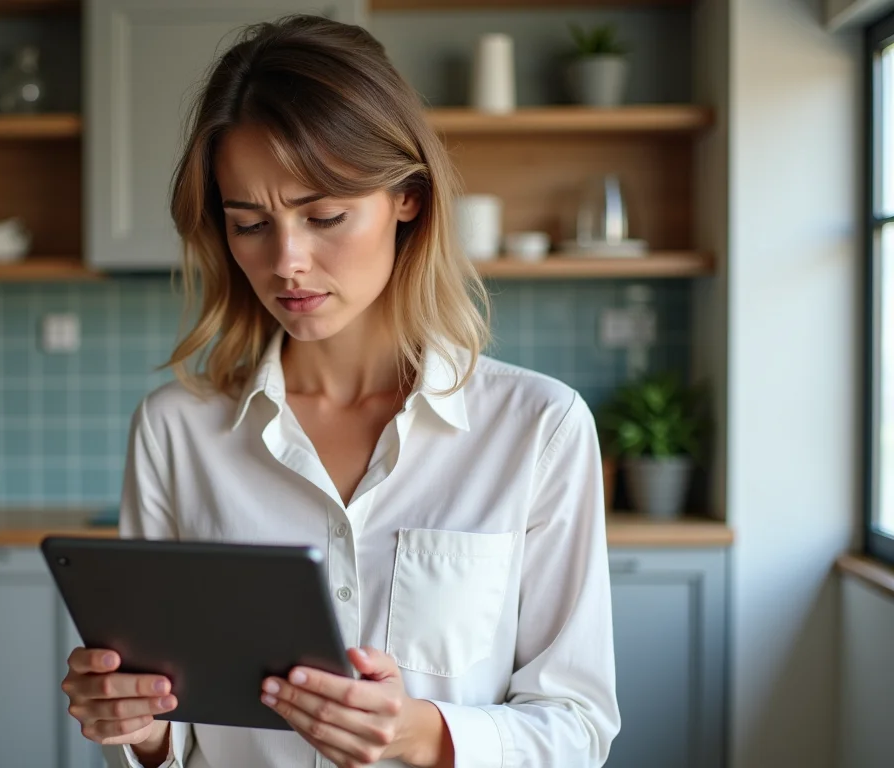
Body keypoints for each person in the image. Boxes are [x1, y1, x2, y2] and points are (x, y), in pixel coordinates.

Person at [61, 14, 620, 768]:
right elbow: (174, 729)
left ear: (408, 198)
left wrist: (422, 734)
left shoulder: (539, 428)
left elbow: (580, 727)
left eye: (324, 215)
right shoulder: (175, 430)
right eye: (250, 223)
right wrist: (140, 724)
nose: (287, 261)